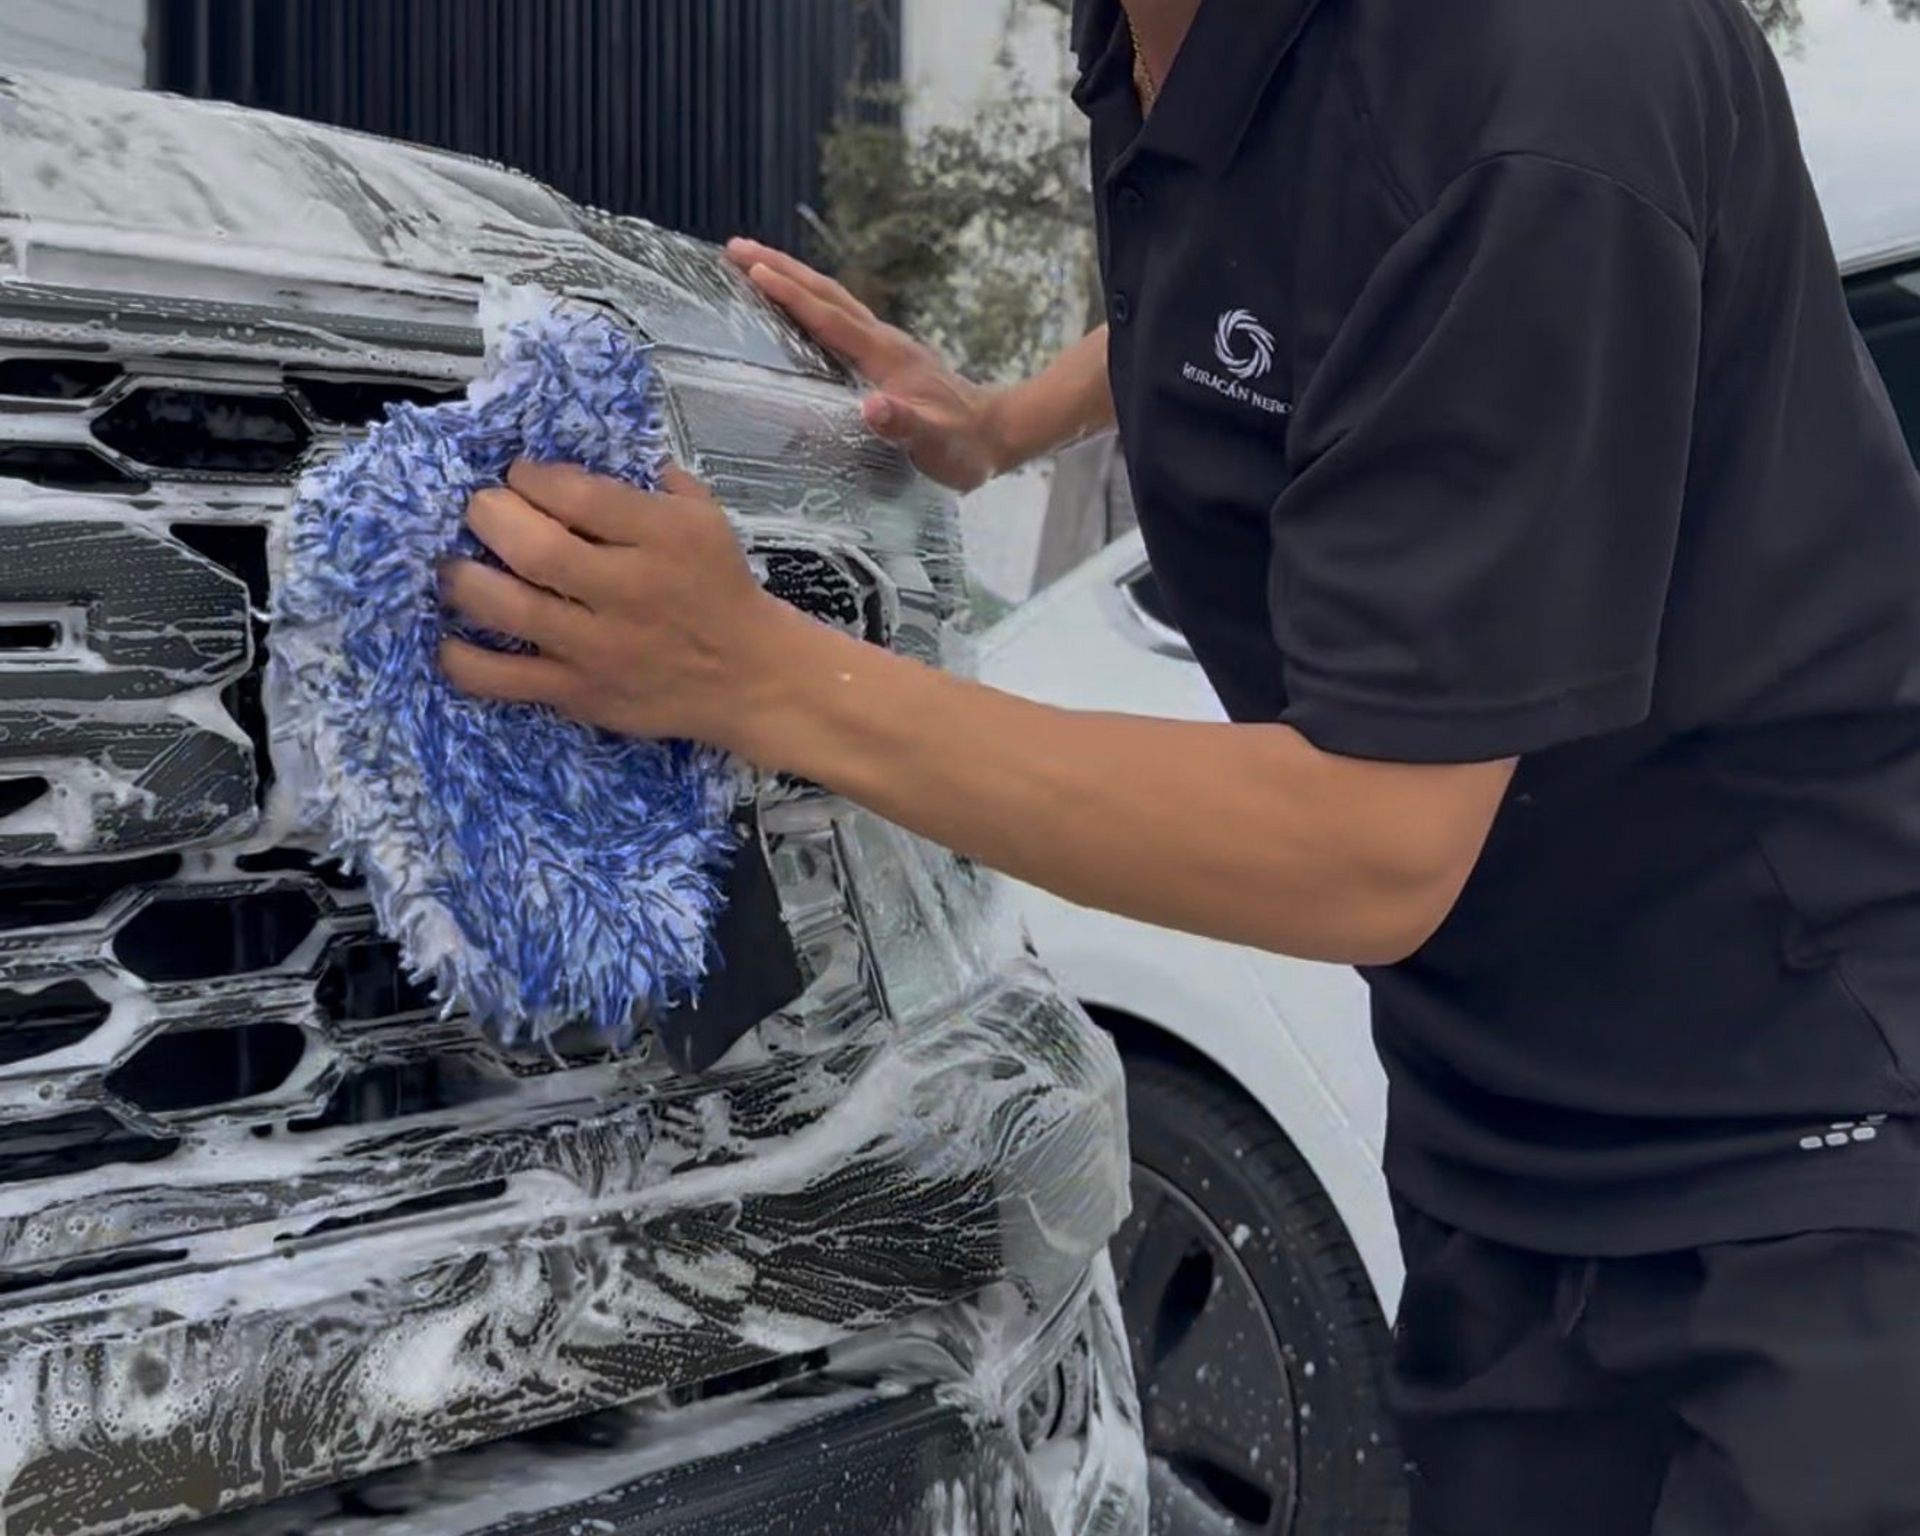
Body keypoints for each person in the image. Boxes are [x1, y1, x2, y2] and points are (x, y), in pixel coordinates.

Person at [439, 0, 1920, 1528]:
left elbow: (1371, 844)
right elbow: (1289, 280)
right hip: (1503, 1122)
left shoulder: (1541, 76)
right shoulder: (1171, 41)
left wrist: (752, 675)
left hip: (1809, 1142)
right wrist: (1004, 423)